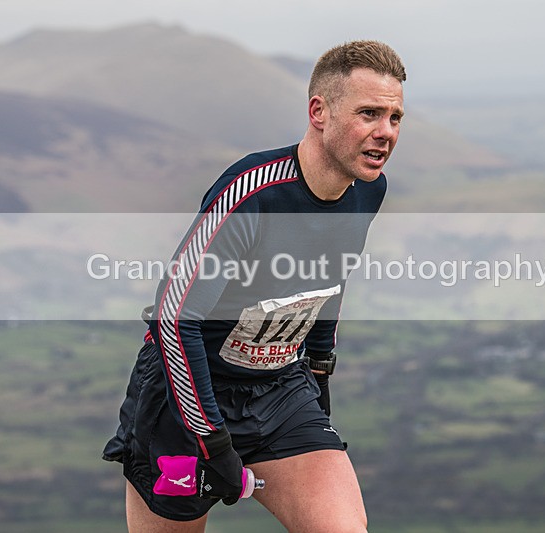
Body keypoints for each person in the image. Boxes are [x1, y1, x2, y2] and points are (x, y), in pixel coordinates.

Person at [103, 40, 406, 533]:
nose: (385, 133)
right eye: (369, 113)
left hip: (281, 389)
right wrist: (212, 442)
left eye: (395, 118)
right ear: (319, 112)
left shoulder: (370, 188)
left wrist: (320, 373)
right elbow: (175, 319)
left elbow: (331, 280)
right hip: (188, 397)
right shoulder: (252, 194)